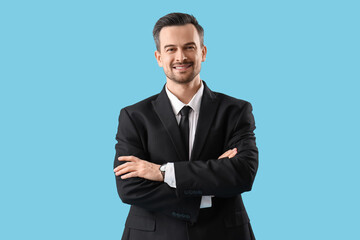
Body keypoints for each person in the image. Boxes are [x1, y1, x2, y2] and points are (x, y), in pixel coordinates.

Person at [113, 12, 258, 240]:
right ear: (159, 57)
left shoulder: (236, 111)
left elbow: (242, 174)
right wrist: (210, 185)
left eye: (189, 47)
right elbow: (129, 188)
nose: (181, 57)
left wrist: (162, 172)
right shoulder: (134, 116)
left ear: (203, 52)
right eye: (171, 49)